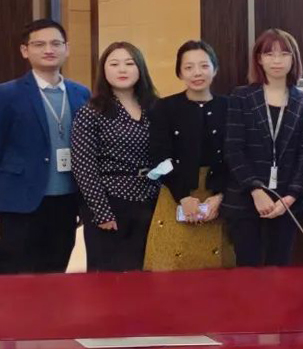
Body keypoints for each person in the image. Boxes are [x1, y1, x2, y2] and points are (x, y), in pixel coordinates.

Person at [0, 19, 91, 274]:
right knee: (16, 278)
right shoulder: (6, 95)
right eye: (39, 44)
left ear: (66, 48)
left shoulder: (81, 93)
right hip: (19, 204)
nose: (49, 50)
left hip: (66, 202)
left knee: (55, 273)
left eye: (55, 43)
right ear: (25, 50)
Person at [223, 29, 303, 267]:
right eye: (269, 54)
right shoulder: (241, 96)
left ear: (293, 59)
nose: (277, 60)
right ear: (259, 59)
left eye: (284, 54)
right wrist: (256, 190)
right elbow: (233, 149)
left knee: (280, 270)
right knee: (248, 271)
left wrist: (291, 197)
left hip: (287, 201)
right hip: (246, 199)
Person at [143, 40, 234, 270]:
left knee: (218, 269)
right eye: (189, 67)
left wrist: (221, 195)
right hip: (175, 190)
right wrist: (182, 196)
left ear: (215, 69)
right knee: (169, 266)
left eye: (204, 66)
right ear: (179, 72)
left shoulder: (230, 107)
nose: (197, 73)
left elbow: (237, 156)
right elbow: (159, 157)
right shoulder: (164, 107)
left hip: (218, 194)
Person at [71, 42, 160, 272]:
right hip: (111, 203)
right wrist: (101, 211)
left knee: (147, 274)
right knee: (109, 279)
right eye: (114, 64)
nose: (122, 69)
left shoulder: (155, 107)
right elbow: (83, 166)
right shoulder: (91, 111)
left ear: (140, 68)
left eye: (129, 63)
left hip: (152, 200)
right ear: (104, 70)